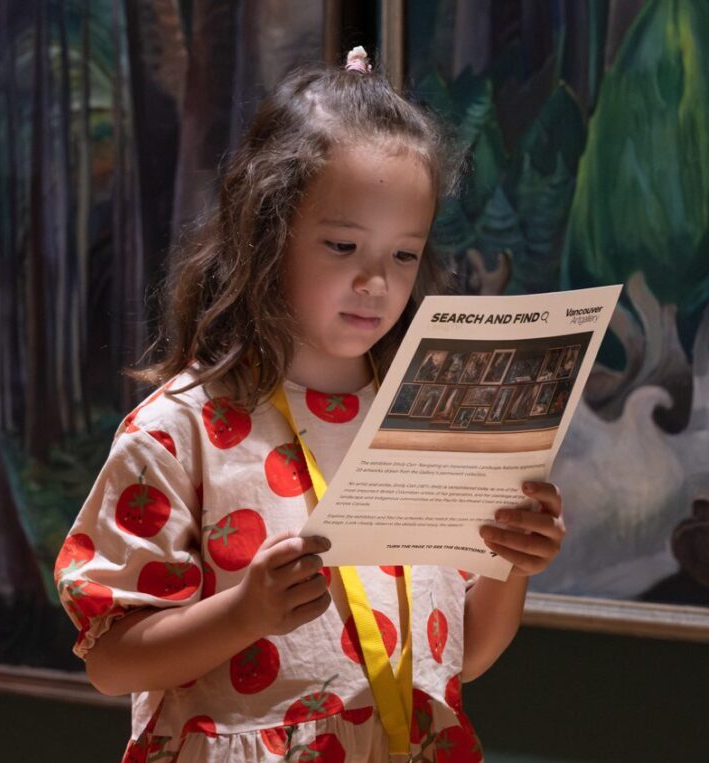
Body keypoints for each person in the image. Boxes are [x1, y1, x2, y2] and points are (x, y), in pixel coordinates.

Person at [55, 46, 565, 763]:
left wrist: (514, 565)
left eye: (403, 254)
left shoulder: (433, 421)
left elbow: (464, 658)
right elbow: (110, 663)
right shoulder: (179, 429)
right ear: (266, 232)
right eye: (342, 244)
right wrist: (245, 613)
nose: (375, 281)